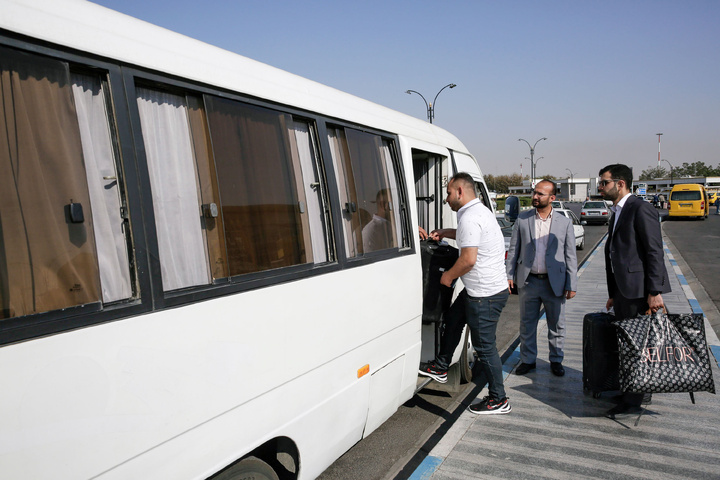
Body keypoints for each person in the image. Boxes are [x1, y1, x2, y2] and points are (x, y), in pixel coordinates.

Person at [418, 172, 511, 415]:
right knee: (453, 319)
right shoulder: (474, 213)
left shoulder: (471, 217)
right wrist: (445, 232)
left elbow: (468, 260)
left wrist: (447, 276)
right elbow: (468, 237)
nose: (447, 199)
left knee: (484, 346)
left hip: (485, 295)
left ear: (460, 191)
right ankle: (440, 366)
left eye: (449, 193)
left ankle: (498, 399)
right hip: (478, 291)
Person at [598, 164, 670, 418]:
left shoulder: (640, 208)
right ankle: (630, 391)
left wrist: (654, 291)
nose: (600, 187)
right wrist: (612, 292)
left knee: (638, 346)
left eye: (604, 183)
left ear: (620, 183)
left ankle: (633, 401)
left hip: (639, 291)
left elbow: (654, 251)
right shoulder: (618, 210)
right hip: (623, 291)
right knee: (627, 345)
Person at [506, 180, 578, 377]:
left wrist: (572, 283)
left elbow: (570, 255)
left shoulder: (564, 223)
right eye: (534, 193)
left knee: (556, 324)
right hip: (528, 281)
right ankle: (528, 360)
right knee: (527, 323)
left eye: (540, 194)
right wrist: (509, 275)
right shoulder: (523, 219)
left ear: (552, 198)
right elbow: (514, 250)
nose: (535, 197)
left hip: (555, 283)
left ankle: (556, 360)